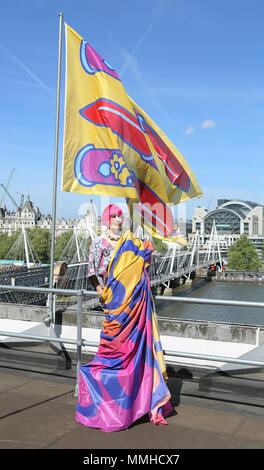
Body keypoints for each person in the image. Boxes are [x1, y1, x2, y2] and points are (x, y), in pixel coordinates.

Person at [75, 203, 173, 432]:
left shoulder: (130, 242)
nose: (119, 219)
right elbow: (91, 272)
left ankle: (135, 401)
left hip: (133, 304)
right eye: (114, 215)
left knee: (135, 349)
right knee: (113, 349)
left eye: (121, 215)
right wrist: (103, 293)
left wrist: (147, 251)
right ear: (107, 219)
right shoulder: (98, 242)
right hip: (114, 303)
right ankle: (113, 402)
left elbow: (144, 264)